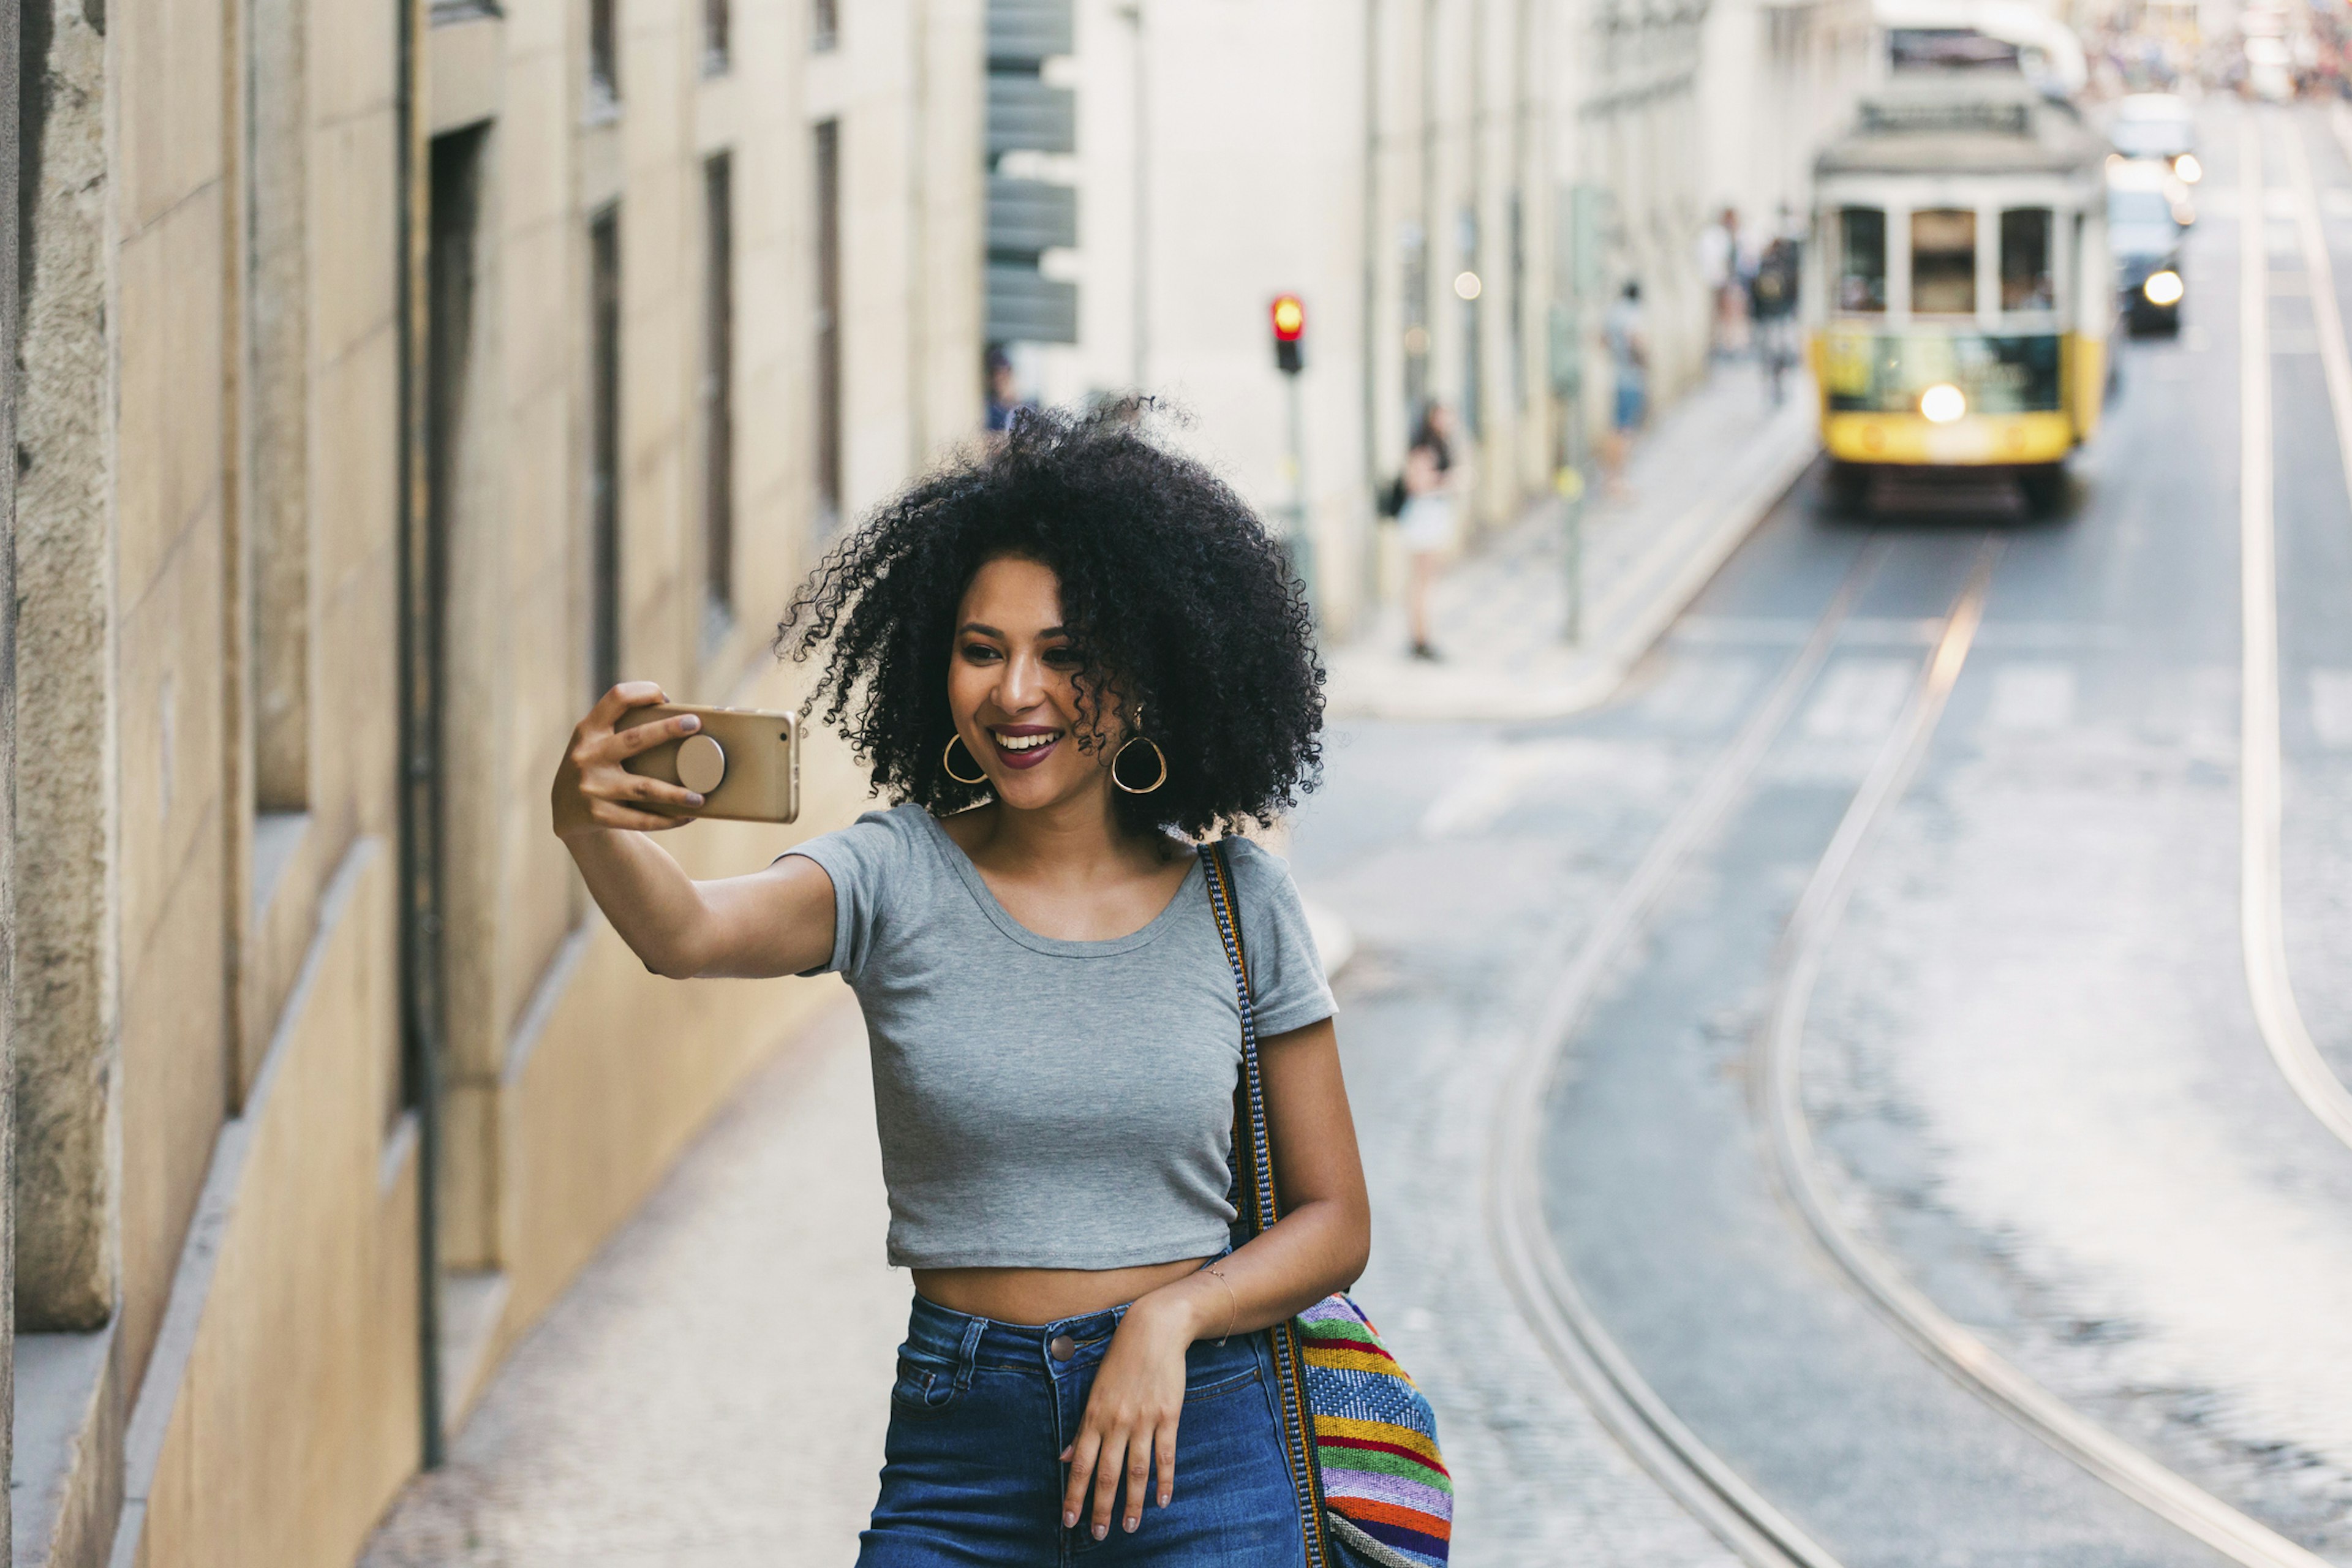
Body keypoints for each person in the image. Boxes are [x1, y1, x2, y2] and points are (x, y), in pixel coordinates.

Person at [551, 407, 1374, 1564]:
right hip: (961, 1462)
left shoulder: (1242, 901)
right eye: (982, 649)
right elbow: (685, 930)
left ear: (1145, 674)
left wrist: (1172, 1317)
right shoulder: (897, 873)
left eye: (1065, 654)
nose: (1015, 692)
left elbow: (1337, 1220)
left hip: (1203, 1437)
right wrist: (586, 824)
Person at [1398, 402, 1458, 662]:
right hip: (1424, 517)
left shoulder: (1441, 444)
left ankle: (1422, 636)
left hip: (1431, 516)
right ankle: (1420, 638)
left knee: (1426, 580)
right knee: (1422, 582)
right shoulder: (1425, 447)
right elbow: (1416, 483)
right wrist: (1449, 480)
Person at [1602, 281, 1648, 499]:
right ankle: (1618, 481)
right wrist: (1644, 360)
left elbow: (1601, 340)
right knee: (1625, 431)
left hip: (1617, 377)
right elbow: (1636, 341)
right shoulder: (1632, 315)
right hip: (1631, 379)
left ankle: (1611, 479)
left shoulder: (1613, 314)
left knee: (1616, 428)